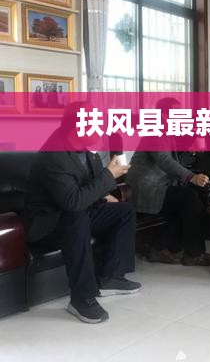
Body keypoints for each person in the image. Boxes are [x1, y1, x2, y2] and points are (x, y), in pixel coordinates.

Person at [23, 101, 141, 324]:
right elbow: (73, 201)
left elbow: (90, 185)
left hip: (77, 212)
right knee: (76, 217)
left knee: (124, 211)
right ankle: (81, 298)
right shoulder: (53, 156)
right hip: (47, 224)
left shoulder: (87, 151)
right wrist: (109, 175)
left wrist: (105, 195)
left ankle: (109, 277)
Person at [127, 97, 210, 266]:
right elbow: (164, 160)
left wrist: (193, 148)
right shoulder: (155, 131)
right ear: (164, 115)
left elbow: (176, 158)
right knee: (189, 198)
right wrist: (191, 177)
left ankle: (161, 246)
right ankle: (194, 254)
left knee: (196, 196)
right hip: (147, 188)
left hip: (161, 185)